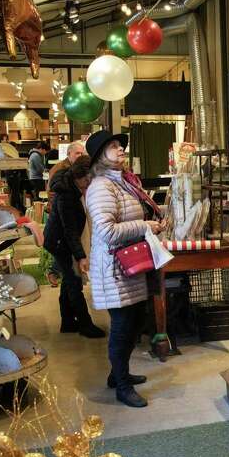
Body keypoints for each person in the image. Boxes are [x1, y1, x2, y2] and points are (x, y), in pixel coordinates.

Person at [85, 130, 166, 408]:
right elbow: (107, 231)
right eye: (113, 147)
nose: (121, 150)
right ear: (100, 157)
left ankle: (117, 374)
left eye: (120, 146)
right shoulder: (101, 187)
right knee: (122, 327)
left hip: (128, 266)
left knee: (135, 322)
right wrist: (146, 226)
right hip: (113, 269)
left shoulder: (122, 183)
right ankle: (121, 386)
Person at [43, 155, 106, 339]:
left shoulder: (71, 186)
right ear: (78, 175)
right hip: (59, 241)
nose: (89, 183)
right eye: (86, 179)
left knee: (69, 281)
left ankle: (68, 322)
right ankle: (85, 324)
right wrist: (81, 256)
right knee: (73, 282)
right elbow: (69, 229)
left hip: (60, 239)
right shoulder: (66, 194)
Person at [45, 141, 87, 287]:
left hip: (63, 226)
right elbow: (53, 193)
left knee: (69, 270)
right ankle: (53, 271)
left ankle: (55, 272)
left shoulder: (75, 171)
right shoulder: (62, 172)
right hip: (60, 224)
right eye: (77, 153)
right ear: (69, 154)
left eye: (82, 153)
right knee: (71, 275)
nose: (80, 156)